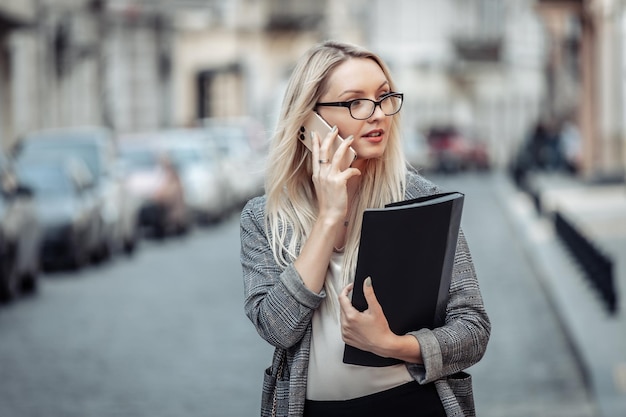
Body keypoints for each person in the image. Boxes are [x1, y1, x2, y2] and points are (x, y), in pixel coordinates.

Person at [240, 40, 491, 417]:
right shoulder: (263, 219)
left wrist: (394, 345)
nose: (377, 114)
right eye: (356, 102)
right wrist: (327, 219)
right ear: (309, 119)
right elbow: (278, 328)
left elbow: (473, 330)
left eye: (384, 96)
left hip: (412, 406)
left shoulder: (421, 201)